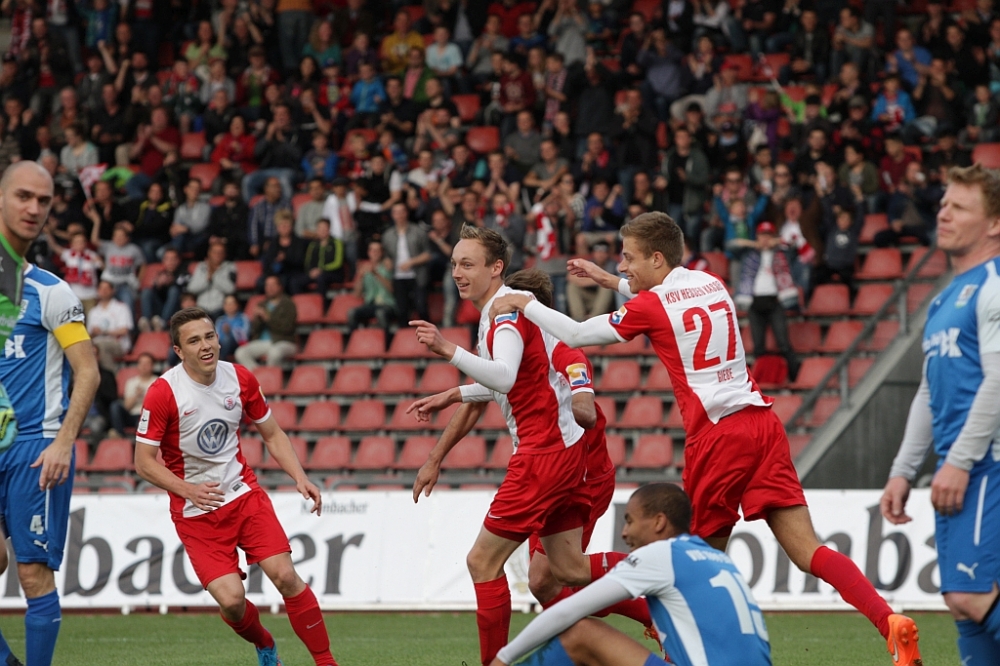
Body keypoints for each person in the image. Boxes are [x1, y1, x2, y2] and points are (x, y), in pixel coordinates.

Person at [488, 212, 923, 666]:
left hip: (718, 438)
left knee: (689, 566)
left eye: (629, 258)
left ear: (657, 258)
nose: (623, 266)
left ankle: (676, 648)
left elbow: (578, 332)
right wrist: (610, 281)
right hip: (762, 424)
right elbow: (663, 301)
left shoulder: (651, 306)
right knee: (807, 549)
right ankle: (888, 620)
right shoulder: (710, 282)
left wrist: (523, 302)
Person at [409, 225, 610, 666]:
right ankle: (655, 588)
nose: (457, 273)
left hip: (543, 454)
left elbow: (505, 376)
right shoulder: (499, 314)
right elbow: (510, 381)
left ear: (496, 268)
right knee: (565, 571)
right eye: (454, 264)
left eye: (468, 264)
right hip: (560, 453)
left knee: (482, 562)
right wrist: (455, 394)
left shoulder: (504, 313)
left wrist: (446, 349)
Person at [134, 307, 337, 666]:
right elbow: (143, 462)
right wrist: (187, 489)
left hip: (244, 496)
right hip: (197, 513)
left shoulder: (240, 378)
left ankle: (326, 662)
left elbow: (272, 434)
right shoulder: (163, 393)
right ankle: (264, 642)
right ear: (179, 351)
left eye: (209, 336)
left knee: (285, 576)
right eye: (194, 341)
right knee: (231, 601)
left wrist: (300, 476)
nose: (205, 346)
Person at [880, 164, 1000, 666]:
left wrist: (959, 461)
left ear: (994, 224)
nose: (943, 214)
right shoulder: (945, 298)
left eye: (959, 207)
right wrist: (903, 470)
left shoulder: (994, 284)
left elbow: (998, 380)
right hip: (963, 466)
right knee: (962, 603)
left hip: (987, 464)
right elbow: (930, 390)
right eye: (944, 204)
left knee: (972, 595)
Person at [490, 484, 770, 666]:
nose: (624, 533)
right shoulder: (718, 559)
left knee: (581, 632)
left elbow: (568, 611)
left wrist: (502, 658)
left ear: (659, 522)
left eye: (630, 521)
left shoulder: (661, 554)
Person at [0, 161, 99, 666]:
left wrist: (63, 441)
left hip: (35, 449)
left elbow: (89, 372)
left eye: (42, 201)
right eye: (23, 196)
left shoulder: (51, 292)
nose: (34, 208)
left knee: (32, 574)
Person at [235, 275, 298, 370]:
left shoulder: (288, 304)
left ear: (280, 287)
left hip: (284, 341)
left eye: (273, 285)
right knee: (241, 352)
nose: (270, 288)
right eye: (267, 285)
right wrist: (257, 318)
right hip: (263, 342)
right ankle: (259, 376)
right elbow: (255, 330)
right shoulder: (262, 304)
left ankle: (270, 377)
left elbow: (287, 328)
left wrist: (267, 318)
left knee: (274, 352)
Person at [346, 241, 396, 336]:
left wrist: (376, 273)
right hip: (371, 304)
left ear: (382, 253)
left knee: (380, 313)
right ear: (368, 253)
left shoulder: (388, 266)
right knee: (351, 313)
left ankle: (387, 341)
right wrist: (360, 276)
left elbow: (392, 289)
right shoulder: (364, 268)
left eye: (377, 250)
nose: (374, 253)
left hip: (387, 304)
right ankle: (353, 340)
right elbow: (356, 294)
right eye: (372, 250)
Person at [86, 280, 134, 371]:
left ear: (112, 291)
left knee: (101, 347)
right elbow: (89, 334)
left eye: (106, 288)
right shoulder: (93, 311)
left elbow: (124, 330)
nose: (103, 291)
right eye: (101, 288)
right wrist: (94, 332)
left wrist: (103, 332)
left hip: (118, 344)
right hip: (97, 343)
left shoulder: (121, 307)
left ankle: (110, 375)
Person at [109, 352, 157, 437]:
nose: (144, 366)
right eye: (141, 363)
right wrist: (136, 395)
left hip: (148, 416)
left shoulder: (158, 382)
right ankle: (120, 436)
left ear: (152, 366)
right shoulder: (131, 382)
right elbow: (127, 406)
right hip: (131, 415)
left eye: (147, 364)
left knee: (142, 421)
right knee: (115, 406)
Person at [216, 294, 251, 361]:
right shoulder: (220, 320)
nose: (229, 306)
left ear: (237, 305)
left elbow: (245, 336)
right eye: (227, 304)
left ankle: (220, 360)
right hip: (221, 345)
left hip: (237, 344)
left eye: (231, 303)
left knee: (226, 339)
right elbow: (216, 336)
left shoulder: (243, 318)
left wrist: (230, 332)